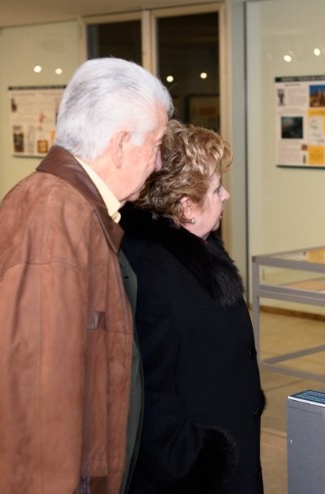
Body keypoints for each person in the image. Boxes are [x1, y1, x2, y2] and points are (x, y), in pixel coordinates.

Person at [0, 58, 172, 493]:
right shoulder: (53, 222)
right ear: (121, 143)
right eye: (156, 144)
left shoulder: (71, 209)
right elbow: (32, 413)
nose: (158, 163)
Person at [119, 120, 264, 493]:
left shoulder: (196, 248)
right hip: (197, 475)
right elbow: (150, 395)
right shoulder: (152, 274)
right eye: (216, 189)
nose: (226, 195)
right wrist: (197, 461)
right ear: (185, 208)